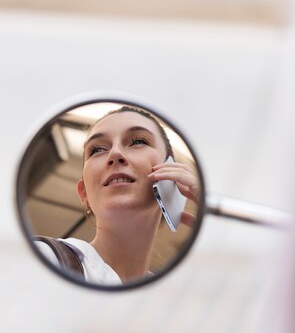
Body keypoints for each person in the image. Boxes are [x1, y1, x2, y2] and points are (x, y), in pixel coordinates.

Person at [35, 106, 199, 285]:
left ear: (172, 182)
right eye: (97, 149)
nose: (115, 153)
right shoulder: (42, 259)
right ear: (84, 194)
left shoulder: (175, 295)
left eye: (137, 141)